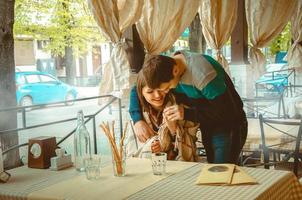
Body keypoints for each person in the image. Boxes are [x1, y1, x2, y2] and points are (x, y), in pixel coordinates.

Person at [129, 51, 247, 164]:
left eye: (167, 88)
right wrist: (137, 120)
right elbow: (138, 87)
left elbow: (228, 112)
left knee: (223, 172)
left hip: (228, 124)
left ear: (175, 71)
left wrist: (185, 113)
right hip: (207, 123)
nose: (163, 93)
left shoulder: (203, 75)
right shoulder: (165, 65)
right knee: (213, 172)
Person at [127, 70, 199, 161]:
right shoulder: (137, 115)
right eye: (150, 92)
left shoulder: (180, 107)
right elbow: (132, 155)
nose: (157, 95)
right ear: (140, 93)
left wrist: (173, 131)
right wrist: (149, 148)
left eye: (160, 89)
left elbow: (190, 145)